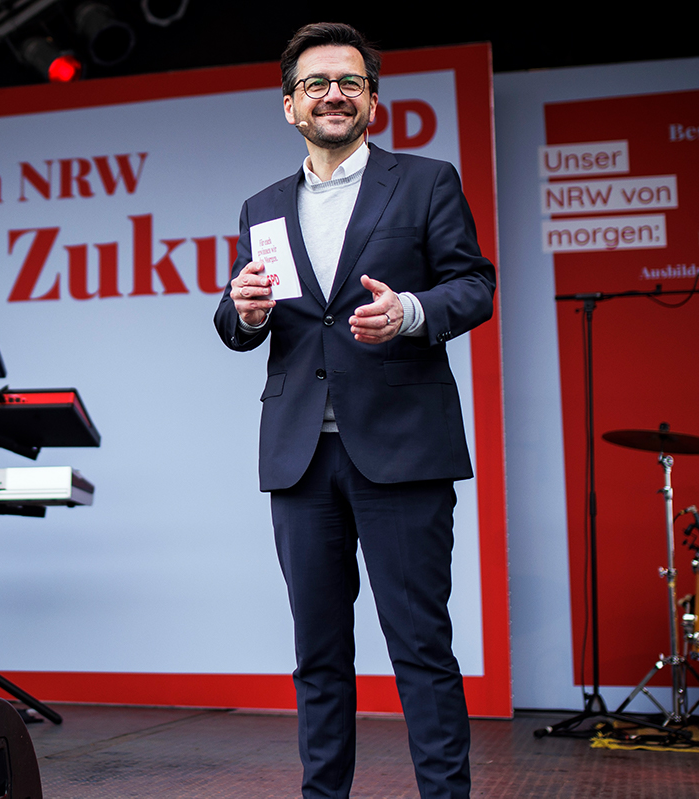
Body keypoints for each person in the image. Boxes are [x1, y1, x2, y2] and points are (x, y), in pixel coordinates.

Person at [213, 22, 496, 799]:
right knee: (319, 652)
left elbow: (474, 286)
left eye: (348, 81)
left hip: (403, 451)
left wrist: (408, 311)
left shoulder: (427, 181)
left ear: (372, 98)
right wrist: (242, 311)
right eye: (315, 84)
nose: (332, 93)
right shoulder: (261, 206)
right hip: (302, 458)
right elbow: (244, 322)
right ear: (289, 107)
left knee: (420, 647)